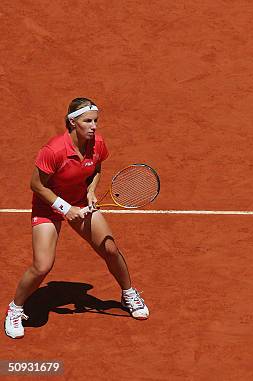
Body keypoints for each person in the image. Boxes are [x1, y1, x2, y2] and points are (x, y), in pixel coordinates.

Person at [5, 98, 149, 339]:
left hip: (81, 202)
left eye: (96, 121)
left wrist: (91, 190)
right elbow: (36, 185)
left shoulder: (97, 144)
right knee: (42, 266)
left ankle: (129, 293)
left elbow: (97, 169)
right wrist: (64, 208)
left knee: (110, 249)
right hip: (48, 207)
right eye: (87, 121)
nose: (94, 126)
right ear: (73, 122)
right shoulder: (53, 150)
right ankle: (15, 308)